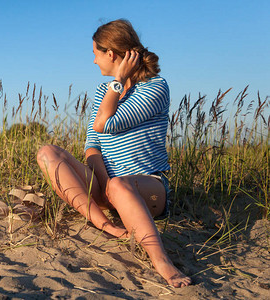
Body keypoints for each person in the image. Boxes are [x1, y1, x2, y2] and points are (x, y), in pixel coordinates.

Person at [36, 19, 191, 288]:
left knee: (121, 185)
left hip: (148, 189)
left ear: (111, 54)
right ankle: (104, 224)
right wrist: (104, 183)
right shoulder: (102, 91)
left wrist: (118, 80)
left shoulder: (155, 87)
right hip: (108, 185)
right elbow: (92, 143)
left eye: (96, 53)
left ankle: (161, 260)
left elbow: (105, 124)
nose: (94, 61)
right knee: (48, 152)